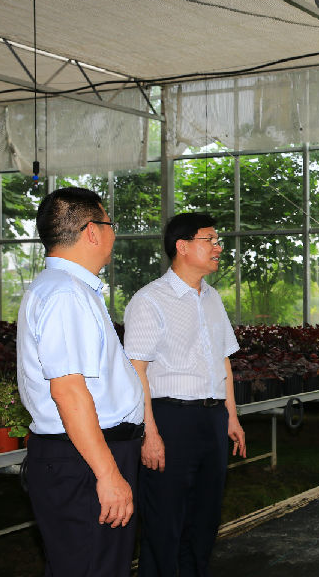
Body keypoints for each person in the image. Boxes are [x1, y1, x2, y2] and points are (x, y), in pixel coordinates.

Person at [16, 186, 144, 576]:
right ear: (92, 231)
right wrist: (107, 474)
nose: (113, 233)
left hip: (84, 454)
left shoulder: (65, 288)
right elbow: (69, 391)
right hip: (85, 460)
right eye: (109, 223)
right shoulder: (66, 294)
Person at [124, 212, 246, 576]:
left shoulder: (212, 298)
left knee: (205, 520)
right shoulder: (150, 300)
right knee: (165, 523)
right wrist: (149, 433)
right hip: (170, 420)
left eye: (216, 240)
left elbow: (223, 360)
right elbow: (136, 371)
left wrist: (232, 417)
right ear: (182, 246)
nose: (218, 247)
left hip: (213, 419)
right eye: (210, 240)